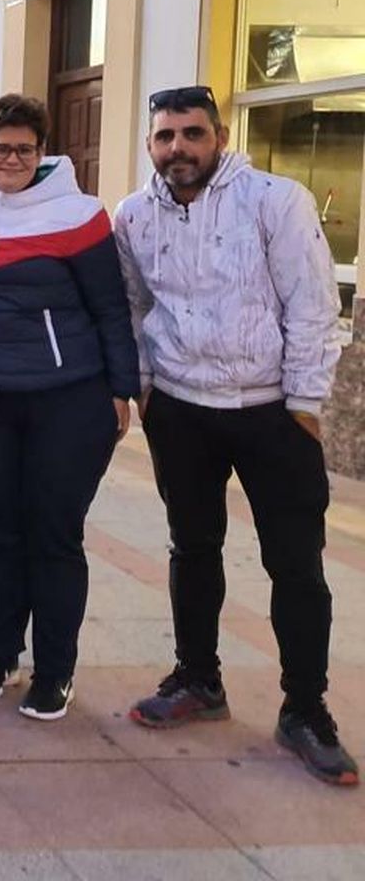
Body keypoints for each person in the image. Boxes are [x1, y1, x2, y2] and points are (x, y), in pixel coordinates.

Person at [115, 86, 357, 786]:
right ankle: (199, 680)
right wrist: (144, 386)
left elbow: (314, 304)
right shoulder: (134, 215)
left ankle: (305, 710)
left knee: (297, 567)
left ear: (219, 136)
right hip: (182, 411)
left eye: (192, 134)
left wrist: (305, 405)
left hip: (272, 412)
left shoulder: (274, 202)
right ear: (151, 144)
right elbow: (132, 305)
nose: (178, 149)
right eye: (164, 137)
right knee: (193, 548)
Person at [0, 94, 139, 721]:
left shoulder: (79, 215)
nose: (13, 159)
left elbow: (111, 305)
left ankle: (55, 672)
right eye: (1, 148)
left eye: (25, 148)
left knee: (53, 537)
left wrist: (121, 390)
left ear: (43, 152)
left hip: (67, 402)